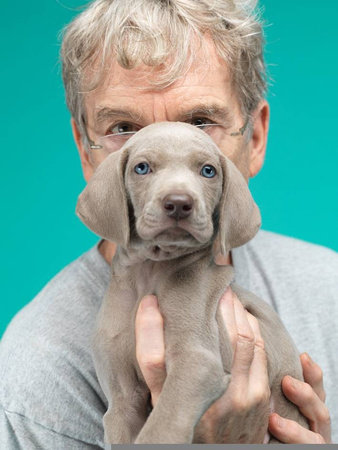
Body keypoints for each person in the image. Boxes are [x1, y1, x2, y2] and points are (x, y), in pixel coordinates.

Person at [0, 0, 336, 447]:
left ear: (254, 138)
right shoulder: (37, 377)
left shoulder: (328, 289)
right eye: (123, 127)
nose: (175, 192)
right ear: (86, 151)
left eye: (201, 122)